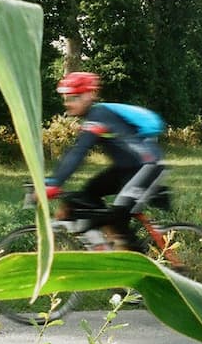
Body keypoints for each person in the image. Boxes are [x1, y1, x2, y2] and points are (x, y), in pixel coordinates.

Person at [44, 71, 168, 248]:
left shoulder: (99, 116)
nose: (68, 103)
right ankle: (106, 245)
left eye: (74, 97)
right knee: (87, 195)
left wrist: (55, 183)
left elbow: (79, 151)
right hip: (128, 168)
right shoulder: (95, 117)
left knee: (118, 213)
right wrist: (53, 181)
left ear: (90, 95)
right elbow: (75, 150)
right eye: (66, 97)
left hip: (148, 167)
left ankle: (136, 260)